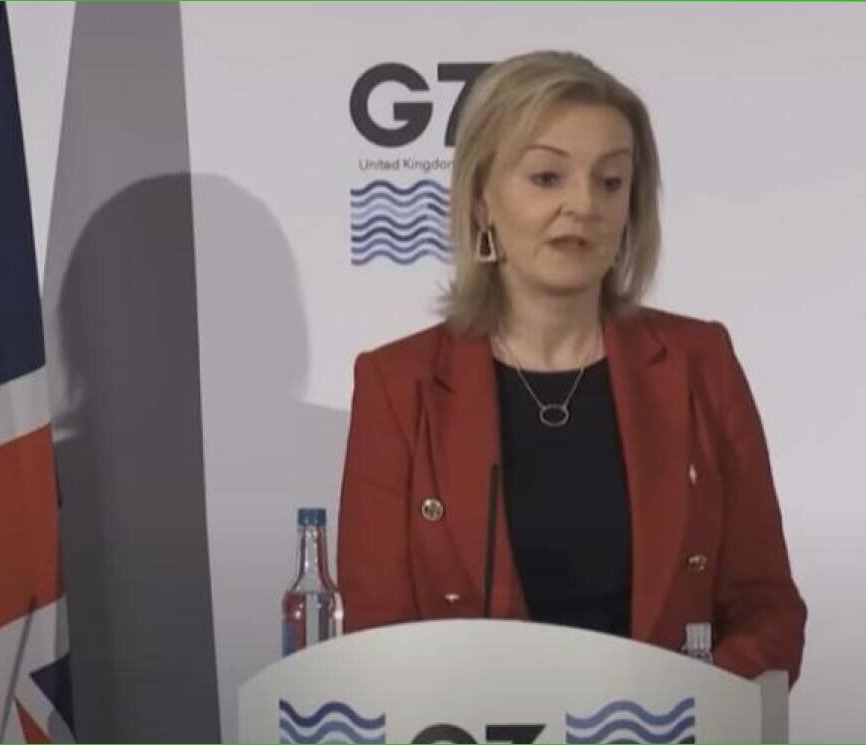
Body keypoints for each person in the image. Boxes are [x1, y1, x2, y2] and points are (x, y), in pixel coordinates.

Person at [337, 50, 806, 683]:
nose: (584, 205)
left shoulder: (702, 364)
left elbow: (769, 612)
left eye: (610, 181)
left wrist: (681, 710)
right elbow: (377, 641)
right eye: (547, 178)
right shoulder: (398, 385)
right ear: (481, 200)